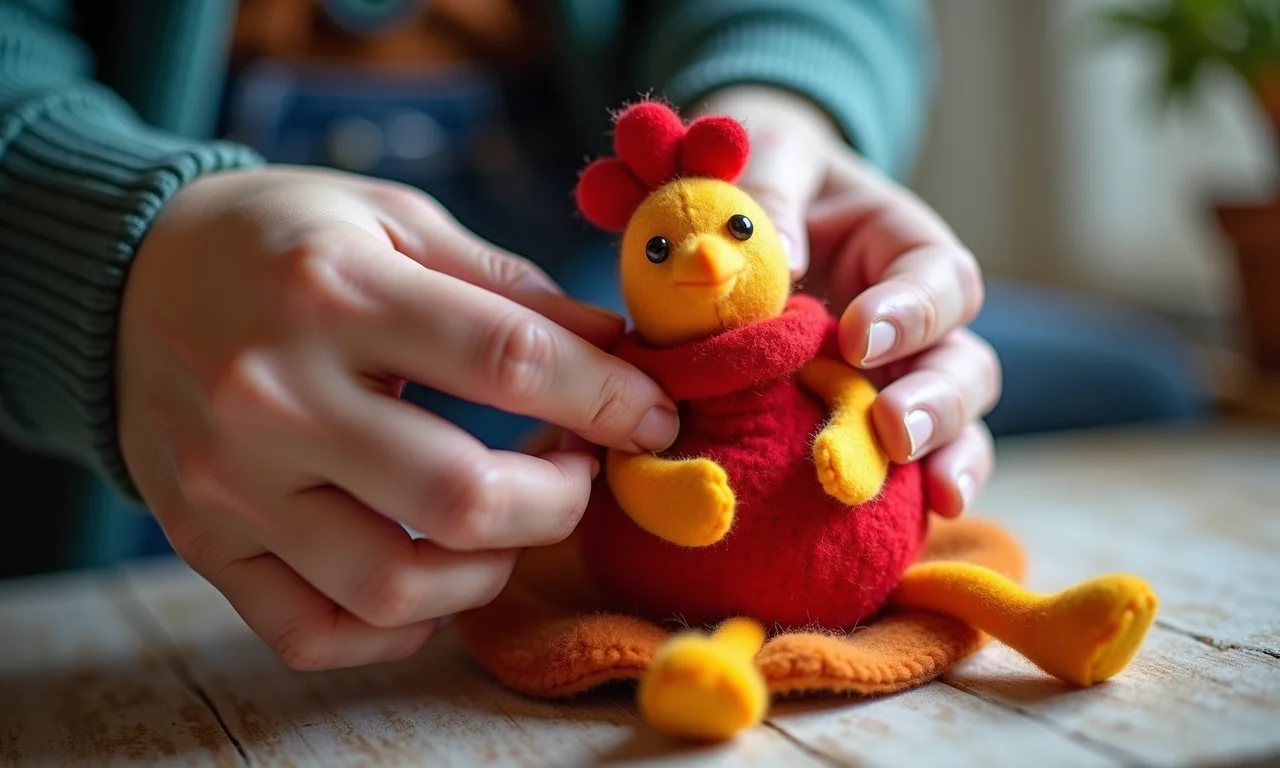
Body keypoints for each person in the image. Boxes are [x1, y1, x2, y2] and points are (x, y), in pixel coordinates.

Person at [0, 0, 1200, 671]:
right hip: (208, 277)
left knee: (1145, 381)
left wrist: (785, 96)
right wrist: (108, 254)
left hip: (578, 267)